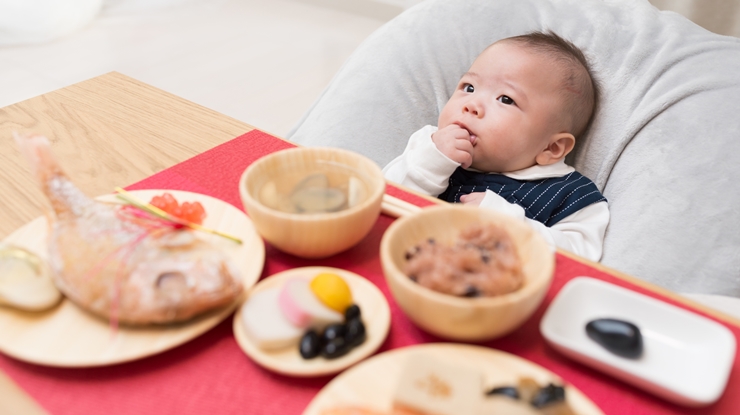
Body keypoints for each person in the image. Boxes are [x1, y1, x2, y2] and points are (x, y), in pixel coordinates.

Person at [382, 31, 609, 262]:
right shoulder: (430, 146)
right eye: (469, 87)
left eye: (506, 99)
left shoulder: (570, 195)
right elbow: (381, 201)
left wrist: (503, 221)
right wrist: (432, 162)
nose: (472, 105)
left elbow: (580, 260)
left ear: (552, 148)